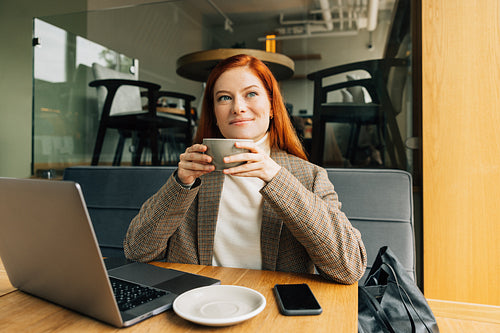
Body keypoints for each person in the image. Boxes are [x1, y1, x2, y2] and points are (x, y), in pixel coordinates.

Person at [124, 54, 367, 284]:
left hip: (273, 311)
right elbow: (136, 252)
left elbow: (349, 268)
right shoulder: (194, 173)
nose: (238, 107)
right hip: (199, 306)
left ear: (272, 107)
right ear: (215, 115)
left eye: (251, 94)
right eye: (224, 98)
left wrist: (275, 177)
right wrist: (180, 183)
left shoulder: (309, 176)